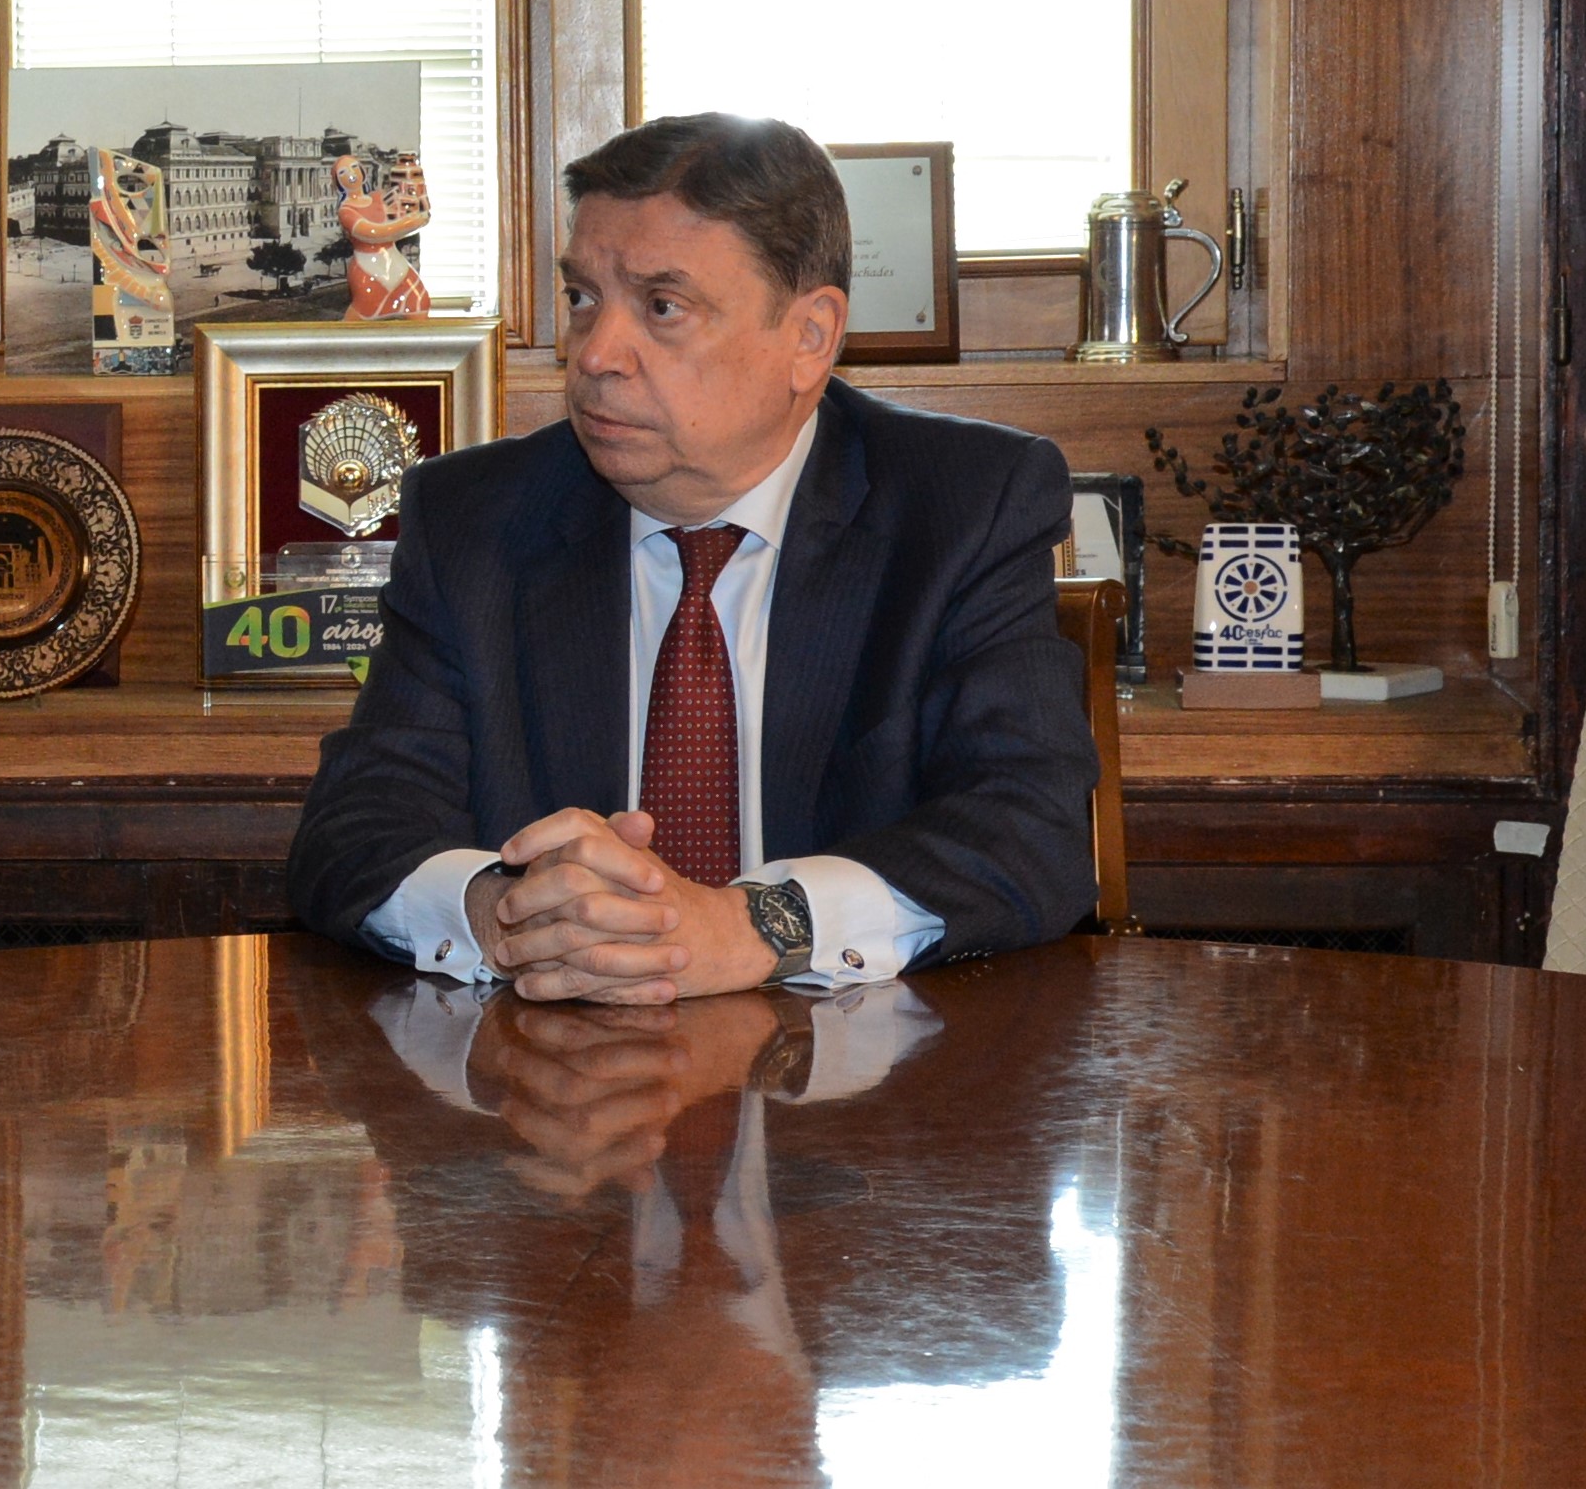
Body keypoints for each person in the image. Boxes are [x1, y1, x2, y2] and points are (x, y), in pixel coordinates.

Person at [286, 112, 1097, 1003]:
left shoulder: (963, 505)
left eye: (662, 307)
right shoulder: (474, 518)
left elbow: (1032, 830)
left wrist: (749, 927)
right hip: (554, 1065)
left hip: (863, 1065)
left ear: (809, 336)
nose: (595, 354)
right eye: (582, 297)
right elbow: (355, 831)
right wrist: (504, 914)